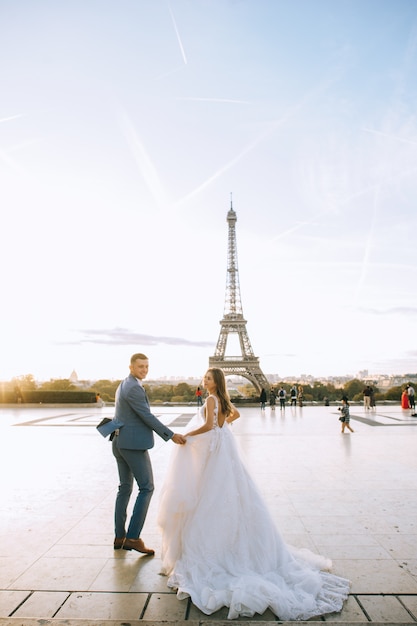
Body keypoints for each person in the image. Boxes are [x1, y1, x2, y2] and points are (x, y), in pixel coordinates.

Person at [157, 368, 350, 621]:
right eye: (204, 378)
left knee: (212, 495)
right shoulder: (224, 399)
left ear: (216, 382)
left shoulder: (211, 399)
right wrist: (221, 428)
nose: (204, 381)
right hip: (225, 448)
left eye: (208, 378)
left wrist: (186, 434)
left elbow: (206, 425)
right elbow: (231, 416)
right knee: (232, 491)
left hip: (217, 451)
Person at [111, 353, 186, 553]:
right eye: (140, 366)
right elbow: (146, 415)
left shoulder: (123, 384)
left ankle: (120, 536)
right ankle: (133, 538)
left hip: (119, 441)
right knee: (147, 487)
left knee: (125, 488)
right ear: (131, 367)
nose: (144, 370)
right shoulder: (134, 387)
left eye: (146, 366)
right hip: (132, 444)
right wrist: (170, 435)